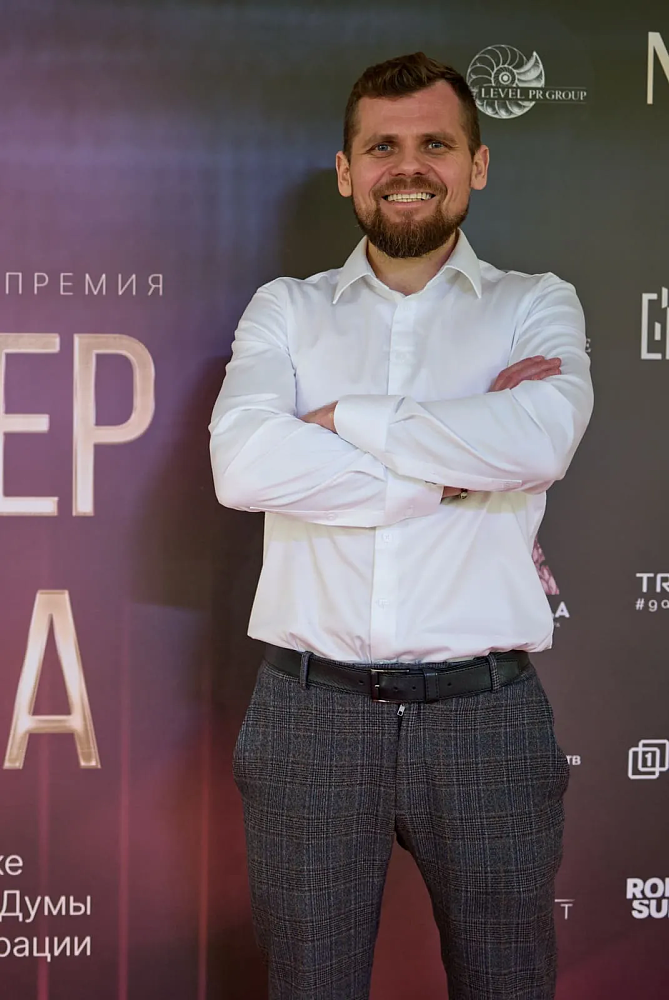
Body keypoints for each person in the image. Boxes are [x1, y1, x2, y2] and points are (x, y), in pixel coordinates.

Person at [209, 51, 593, 1000]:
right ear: (348, 171)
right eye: (382, 147)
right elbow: (244, 464)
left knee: (508, 984)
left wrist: (343, 418)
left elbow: (538, 441)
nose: (408, 166)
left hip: (485, 716)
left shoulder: (535, 304)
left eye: (435, 144)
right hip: (311, 715)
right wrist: (456, 469)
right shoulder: (286, 311)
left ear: (477, 163)